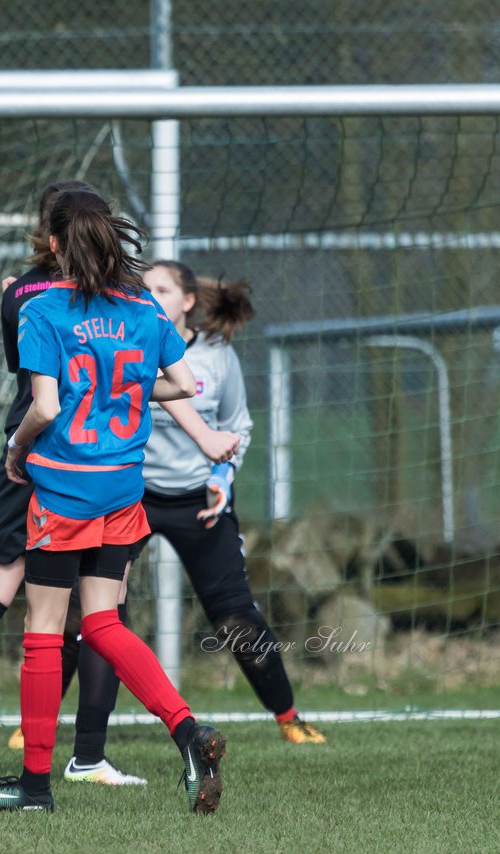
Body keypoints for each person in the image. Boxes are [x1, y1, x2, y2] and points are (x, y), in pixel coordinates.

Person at [0, 181, 236, 789]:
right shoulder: (143, 307)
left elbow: (44, 406)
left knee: (43, 628)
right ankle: (186, 731)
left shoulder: (39, 308)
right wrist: (119, 392)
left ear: (54, 242)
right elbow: (181, 386)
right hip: (124, 490)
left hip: (65, 489)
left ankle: (33, 783)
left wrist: (16, 449)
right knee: (104, 622)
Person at [138, 261, 325, 744]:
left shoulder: (217, 355)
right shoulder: (124, 346)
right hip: (132, 496)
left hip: (201, 501)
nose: (149, 296)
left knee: (235, 615)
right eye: (143, 288)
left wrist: (223, 475)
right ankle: (39, 726)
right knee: (92, 612)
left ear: (187, 302)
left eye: (161, 289)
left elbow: (238, 426)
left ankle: (289, 718)